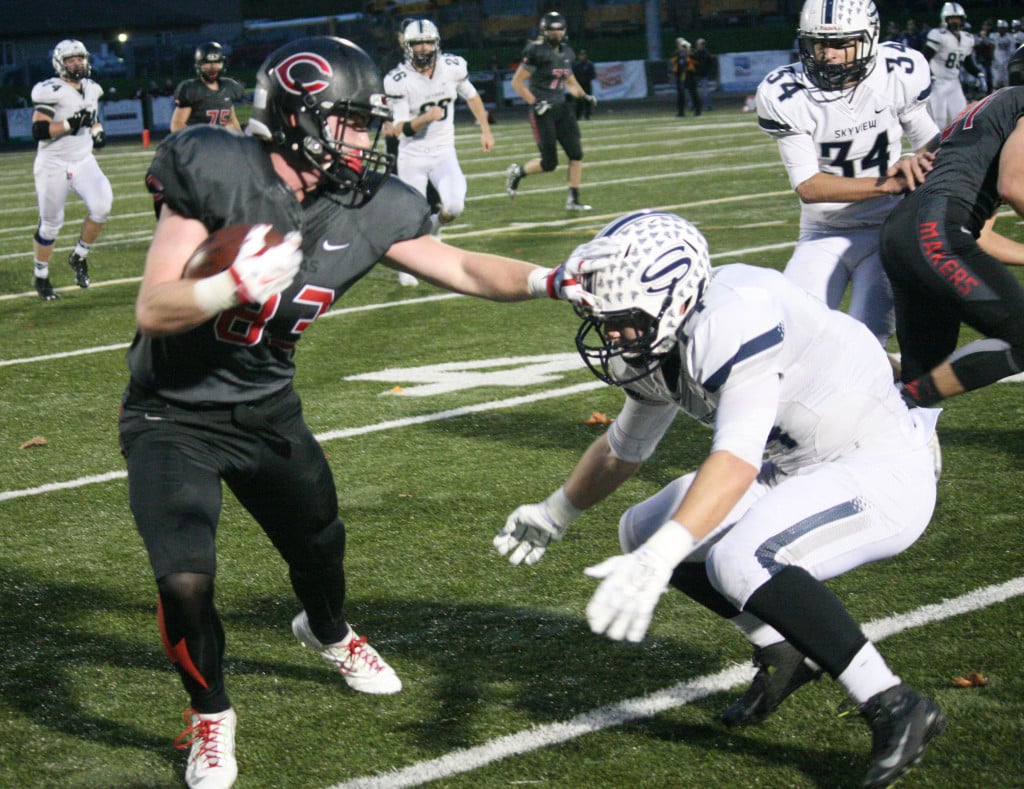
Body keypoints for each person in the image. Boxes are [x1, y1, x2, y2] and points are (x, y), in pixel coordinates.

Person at [120, 36, 616, 789]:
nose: (371, 136)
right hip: (172, 416)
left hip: (266, 410)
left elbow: (461, 266)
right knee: (184, 579)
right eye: (353, 122)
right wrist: (229, 287)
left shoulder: (373, 204)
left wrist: (551, 279)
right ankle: (211, 714)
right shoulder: (215, 167)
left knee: (320, 548)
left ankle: (327, 630)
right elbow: (156, 307)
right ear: (298, 115)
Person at [494, 209, 946, 789]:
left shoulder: (736, 314)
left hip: (877, 463)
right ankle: (782, 649)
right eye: (601, 320)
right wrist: (557, 511)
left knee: (741, 559)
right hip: (796, 464)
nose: (610, 335)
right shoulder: (661, 336)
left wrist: (660, 562)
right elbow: (622, 450)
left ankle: (894, 702)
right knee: (644, 528)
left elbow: (733, 463)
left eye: (621, 321)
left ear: (676, 300)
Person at [755, 0, 939, 346]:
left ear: (870, 38)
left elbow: (931, 143)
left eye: (842, 43)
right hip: (823, 231)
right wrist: (891, 183)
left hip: (889, 231)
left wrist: (920, 163)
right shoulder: (786, 92)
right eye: (819, 43)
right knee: (791, 332)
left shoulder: (896, 72)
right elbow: (809, 186)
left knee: (864, 339)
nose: (829, 54)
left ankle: (905, 396)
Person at [879, 47, 1024, 408]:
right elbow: (1014, 185)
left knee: (923, 368)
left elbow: (984, 236)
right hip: (935, 236)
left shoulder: (996, 106)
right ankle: (903, 404)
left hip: (905, 234)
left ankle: (886, 419)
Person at [383, 19, 494, 241]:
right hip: (412, 154)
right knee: (411, 216)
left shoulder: (452, 67)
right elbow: (400, 130)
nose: (423, 48)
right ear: (407, 46)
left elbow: (471, 96)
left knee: (454, 206)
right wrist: (425, 118)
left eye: (428, 43)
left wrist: (485, 130)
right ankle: (407, 267)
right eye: (417, 43)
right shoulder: (399, 79)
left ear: (436, 44)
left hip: (444, 151)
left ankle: (433, 227)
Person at [29, 39, 111, 301]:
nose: (76, 64)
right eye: (70, 60)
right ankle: (41, 275)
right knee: (51, 224)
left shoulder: (92, 88)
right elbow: (39, 130)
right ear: (60, 64)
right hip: (53, 163)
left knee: (102, 205)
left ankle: (79, 255)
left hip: (83, 159)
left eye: (80, 58)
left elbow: (93, 119)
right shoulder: (49, 90)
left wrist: (98, 133)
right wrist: (69, 124)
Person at [504, 11, 598, 211]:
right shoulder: (536, 51)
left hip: (562, 108)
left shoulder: (567, 52)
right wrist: (535, 102)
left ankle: (573, 199)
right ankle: (518, 172)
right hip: (543, 111)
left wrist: (583, 95)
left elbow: (569, 80)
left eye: (559, 29)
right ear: (544, 31)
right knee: (549, 163)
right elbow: (517, 82)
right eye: (552, 29)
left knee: (576, 154)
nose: (556, 33)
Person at [925, 3, 986, 128]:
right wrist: (929, 75)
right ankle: (936, 147)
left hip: (954, 82)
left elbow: (967, 62)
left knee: (961, 118)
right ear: (945, 19)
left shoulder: (967, 38)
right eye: (952, 18)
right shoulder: (938, 35)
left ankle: (958, 146)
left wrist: (979, 74)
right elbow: (924, 58)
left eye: (958, 18)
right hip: (938, 82)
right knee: (938, 120)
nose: (955, 22)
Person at [170, 42, 244, 133]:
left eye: (216, 63)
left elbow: (230, 121)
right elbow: (177, 124)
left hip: (220, 143)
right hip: (198, 142)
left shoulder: (228, 87)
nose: (212, 68)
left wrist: (240, 141)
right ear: (199, 65)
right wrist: (195, 142)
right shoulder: (191, 89)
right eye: (208, 64)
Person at [671, 38, 701, 117]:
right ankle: (681, 111)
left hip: (689, 74)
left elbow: (696, 60)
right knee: (680, 94)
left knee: (693, 93)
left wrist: (688, 51)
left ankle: (697, 110)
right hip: (680, 75)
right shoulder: (676, 53)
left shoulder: (691, 52)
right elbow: (673, 62)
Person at [692, 38, 717, 111]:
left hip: (703, 75)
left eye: (702, 44)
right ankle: (693, 106)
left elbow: (711, 64)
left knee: (705, 92)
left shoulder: (706, 54)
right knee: (693, 92)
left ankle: (708, 106)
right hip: (696, 76)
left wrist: (707, 71)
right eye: (699, 44)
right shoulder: (695, 54)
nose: (700, 46)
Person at [572, 49, 597, 120]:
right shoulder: (576, 65)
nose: (582, 57)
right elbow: (573, 75)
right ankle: (577, 116)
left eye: (583, 55)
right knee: (578, 101)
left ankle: (587, 116)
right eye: (581, 55)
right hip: (579, 86)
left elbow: (593, 75)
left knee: (588, 101)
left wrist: (586, 78)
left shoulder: (589, 64)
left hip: (587, 85)